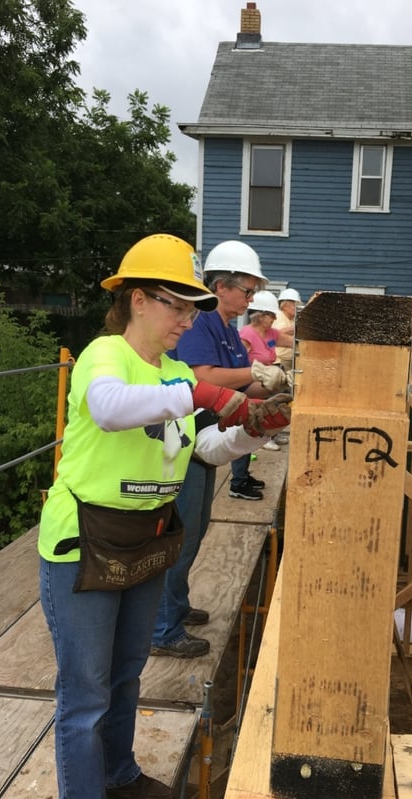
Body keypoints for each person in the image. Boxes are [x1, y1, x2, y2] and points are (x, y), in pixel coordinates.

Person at [38, 233, 290, 798]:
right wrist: (199, 392)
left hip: (144, 542)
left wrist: (250, 431)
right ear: (137, 300)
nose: (185, 319)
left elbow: (202, 450)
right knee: (85, 696)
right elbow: (108, 409)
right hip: (83, 545)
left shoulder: (172, 371)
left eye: (192, 307)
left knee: (126, 678)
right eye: (175, 305)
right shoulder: (107, 355)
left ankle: (120, 776)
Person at [151, 240, 291, 659]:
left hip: (203, 438)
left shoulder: (225, 328)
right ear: (220, 285)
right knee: (179, 536)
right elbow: (203, 377)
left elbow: (236, 384)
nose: (250, 300)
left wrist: (264, 388)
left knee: (194, 531)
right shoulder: (205, 321)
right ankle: (162, 628)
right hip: (182, 442)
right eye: (246, 291)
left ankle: (174, 608)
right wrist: (255, 372)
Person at [239, 290, 293, 450]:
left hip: (264, 382)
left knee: (277, 403)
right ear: (259, 315)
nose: (275, 318)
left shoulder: (270, 333)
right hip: (248, 385)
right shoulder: (247, 335)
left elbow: (292, 342)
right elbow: (238, 365)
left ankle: (267, 434)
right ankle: (262, 436)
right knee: (247, 425)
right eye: (271, 315)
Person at [274, 287, 303, 373]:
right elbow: (273, 335)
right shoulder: (278, 317)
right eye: (294, 304)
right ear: (285, 306)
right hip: (279, 362)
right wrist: (294, 329)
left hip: (289, 361)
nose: (297, 307)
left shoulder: (291, 319)